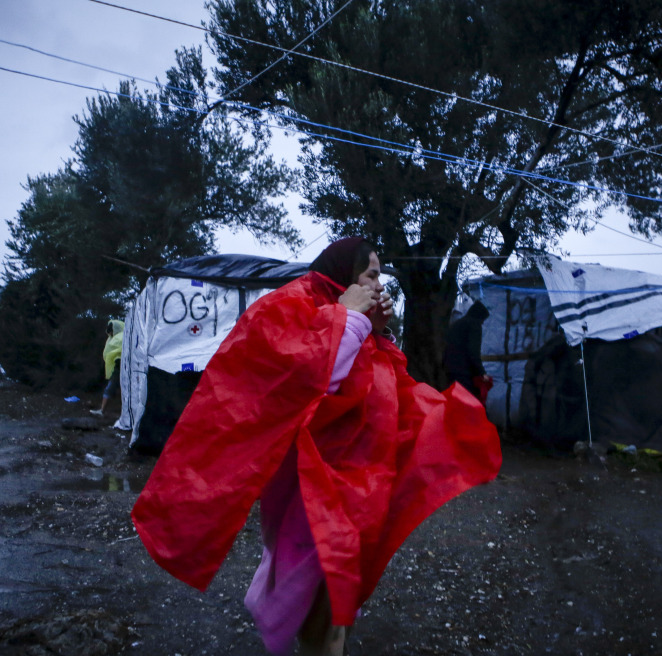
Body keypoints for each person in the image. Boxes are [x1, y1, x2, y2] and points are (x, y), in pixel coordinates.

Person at [132, 238, 500, 655]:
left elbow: (378, 381)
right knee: (324, 586)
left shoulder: (345, 312)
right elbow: (314, 379)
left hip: (355, 477)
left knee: (340, 585)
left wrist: (378, 331)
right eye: (372, 275)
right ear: (346, 274)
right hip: (311, 484)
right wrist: (353, 317)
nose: (380, 285)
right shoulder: (291, 304)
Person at [443, 301, 491, 400]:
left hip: (450, 371)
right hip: (465, 373)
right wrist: (481, 372)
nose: (482, 323)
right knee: (469, 402)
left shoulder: (457, 324)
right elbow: (473, 351)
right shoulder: (474, 325)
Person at [91, 319, 123, 418]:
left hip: (121, 365)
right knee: (113, 388)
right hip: (118, 365)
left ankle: (103, 410)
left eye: (112, 331)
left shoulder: (121, 337)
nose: (111, 334)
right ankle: (103, 410)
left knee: (111, 388)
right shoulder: (116, 337)